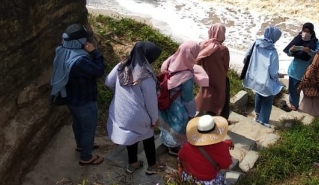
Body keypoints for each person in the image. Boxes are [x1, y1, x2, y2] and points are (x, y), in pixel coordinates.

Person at [50, 23, 105, 166]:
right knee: (89, 128)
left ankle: (81, 145)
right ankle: (86, 157)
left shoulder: (62, 51)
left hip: (70, 98)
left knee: (78, 123)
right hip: (84, 100)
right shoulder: (79, 61)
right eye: (84, 39)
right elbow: (99, 71)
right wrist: (95, 53)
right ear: (78, 41)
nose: (86, 41)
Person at [105, 41, 163, 175]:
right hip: (139, 116)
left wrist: (123, 93)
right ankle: (152, 166)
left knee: (130, 136)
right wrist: (154, 119)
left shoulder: (121, 65)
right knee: (148, 137)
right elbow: (151, 103)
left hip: (122, 113)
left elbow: (108, 82)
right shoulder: (146, 76)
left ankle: (133, 163)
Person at [158, 41, 209, 156]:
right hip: (178, 105)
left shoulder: (170, 61)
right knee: (179, 127)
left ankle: (166, 140)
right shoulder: (186, 76)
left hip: (165, 100)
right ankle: (174, 147)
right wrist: (192, 113)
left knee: (167, 121)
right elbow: (188, 98)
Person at [178, 114, 233, 185]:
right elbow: (226, 164)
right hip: (208, 183)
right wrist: (226, 144)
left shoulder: (186, 147)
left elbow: (181, 159)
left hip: (190, 180)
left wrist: (227, 143)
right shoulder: (221, 147)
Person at [242, 26, 283, 127]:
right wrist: (278, 76)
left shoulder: (255, 43)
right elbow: (273, 72)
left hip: (254, 78)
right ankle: (263, 121)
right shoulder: (273, 52)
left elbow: (246, 58)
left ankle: (257, 114)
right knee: (267, 101)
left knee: (258, 95)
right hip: (266, 82)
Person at [282, 22, 319, 111]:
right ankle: (294, 105)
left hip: (307, 72)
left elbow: (318, 55)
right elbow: (288, 53)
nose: (305, 33)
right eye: (304, 30)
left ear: (312, 32)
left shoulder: (315, 42)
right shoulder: (298, 39)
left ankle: (307, 107)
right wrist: (291, 50)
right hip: (295, 70)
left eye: (308, 31)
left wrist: (310, 51)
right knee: (293, 90)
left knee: (308, 92)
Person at [195, 23, 231, 118]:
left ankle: (203, 119)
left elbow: (197, 62)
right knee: (222, 100)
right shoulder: (223, 49)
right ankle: (221, 121)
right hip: (220, 79)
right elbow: (226, 67)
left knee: (206, 98)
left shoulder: (203, 45)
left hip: (206, 77)